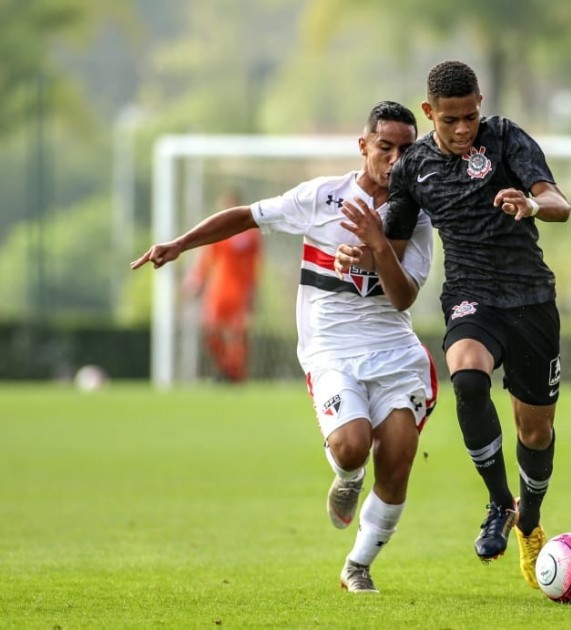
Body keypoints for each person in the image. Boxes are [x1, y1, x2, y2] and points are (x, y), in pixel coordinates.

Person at [131, 101, 437, 594]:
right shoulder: (323, 196)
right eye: (385, 147)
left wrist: (378, 245)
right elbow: (247, 217)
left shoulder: (417, 217)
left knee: (399, 458)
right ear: (364, 146)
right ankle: (347, 475)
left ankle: (358, 566)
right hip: (332, 350)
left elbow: (404, 295)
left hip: (392, 352)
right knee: (353, 446)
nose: (395, 158)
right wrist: (179, 244)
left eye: (405, 149)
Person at [337, 60, 571, 589]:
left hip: (531, 298)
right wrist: (366, 252)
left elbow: (560, 203)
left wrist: (531, 203)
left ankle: (529, 522)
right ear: (429, 114)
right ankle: (497, 502)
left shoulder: (507, 138)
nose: (463, 128)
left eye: (470, 115)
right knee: (466, 377)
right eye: (450, 120)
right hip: (470, 295)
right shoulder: (412, 168)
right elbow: (392, 251)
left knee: (534, 431)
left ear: (480, 104)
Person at [183, 189, 261, 383]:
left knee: (237, 334)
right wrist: (197, 279)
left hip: (239, 290)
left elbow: (254, 265)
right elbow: (207, 258)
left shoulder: (248, 235)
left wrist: (253, 293)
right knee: (210, 331)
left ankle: (235, 374)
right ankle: (226, 369)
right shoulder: (216, 232)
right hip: (218, 289)